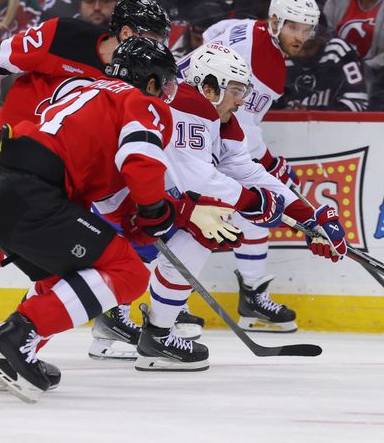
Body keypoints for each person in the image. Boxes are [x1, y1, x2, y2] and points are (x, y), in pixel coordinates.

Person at [0, 0, 171, 352]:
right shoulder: (65, 38)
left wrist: (130, 216)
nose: (158, 50)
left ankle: (16, 345)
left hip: (68, 180)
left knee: (61, 270)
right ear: (125, 31)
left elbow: (117, 168)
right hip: (24, 159)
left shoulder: (135, 80)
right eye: (152, 39)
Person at [0, 36, 201, 403]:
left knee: (68, 278)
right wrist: (155, 210)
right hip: (33, 194)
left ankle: (4, 355)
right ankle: (12, 340)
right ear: (151, 81)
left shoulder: (91, 92)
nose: (166, 93)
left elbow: (106, 196)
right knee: (130, 273)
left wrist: (137, 222)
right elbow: (141, 159)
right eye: (165, 82)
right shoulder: (139, 100)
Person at [95, 42, 347, 371]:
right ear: (210, 86)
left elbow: (248, 171)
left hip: (134, 199)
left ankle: (142, 333)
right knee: (207, 221)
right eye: (237, 90)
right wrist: (255, 202)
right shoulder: (189, 105)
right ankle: (147, 333)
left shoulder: (219, 117)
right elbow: (199, 182)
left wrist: (308, 218)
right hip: (110, 199)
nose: (243, 100)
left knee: (205, 223)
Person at [201, 0, 322, 332]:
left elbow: (212, 34)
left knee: (258, 205)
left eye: (306, 28)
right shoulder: (266, 63)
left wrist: (268, 166)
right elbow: (244, 125)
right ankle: (158, 310)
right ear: (275, 21)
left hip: (204, 126)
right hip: (191, 130)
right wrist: (270, 164)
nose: (301, 37)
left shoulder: (247, 27)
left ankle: (252, 296)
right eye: (294, 27)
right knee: (193, 220)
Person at [277, 26, 368, 111]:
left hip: (331, 126)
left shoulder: (338, 50)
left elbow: (357, 103)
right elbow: (268, 103)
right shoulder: (282, 55)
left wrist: (313, 113)